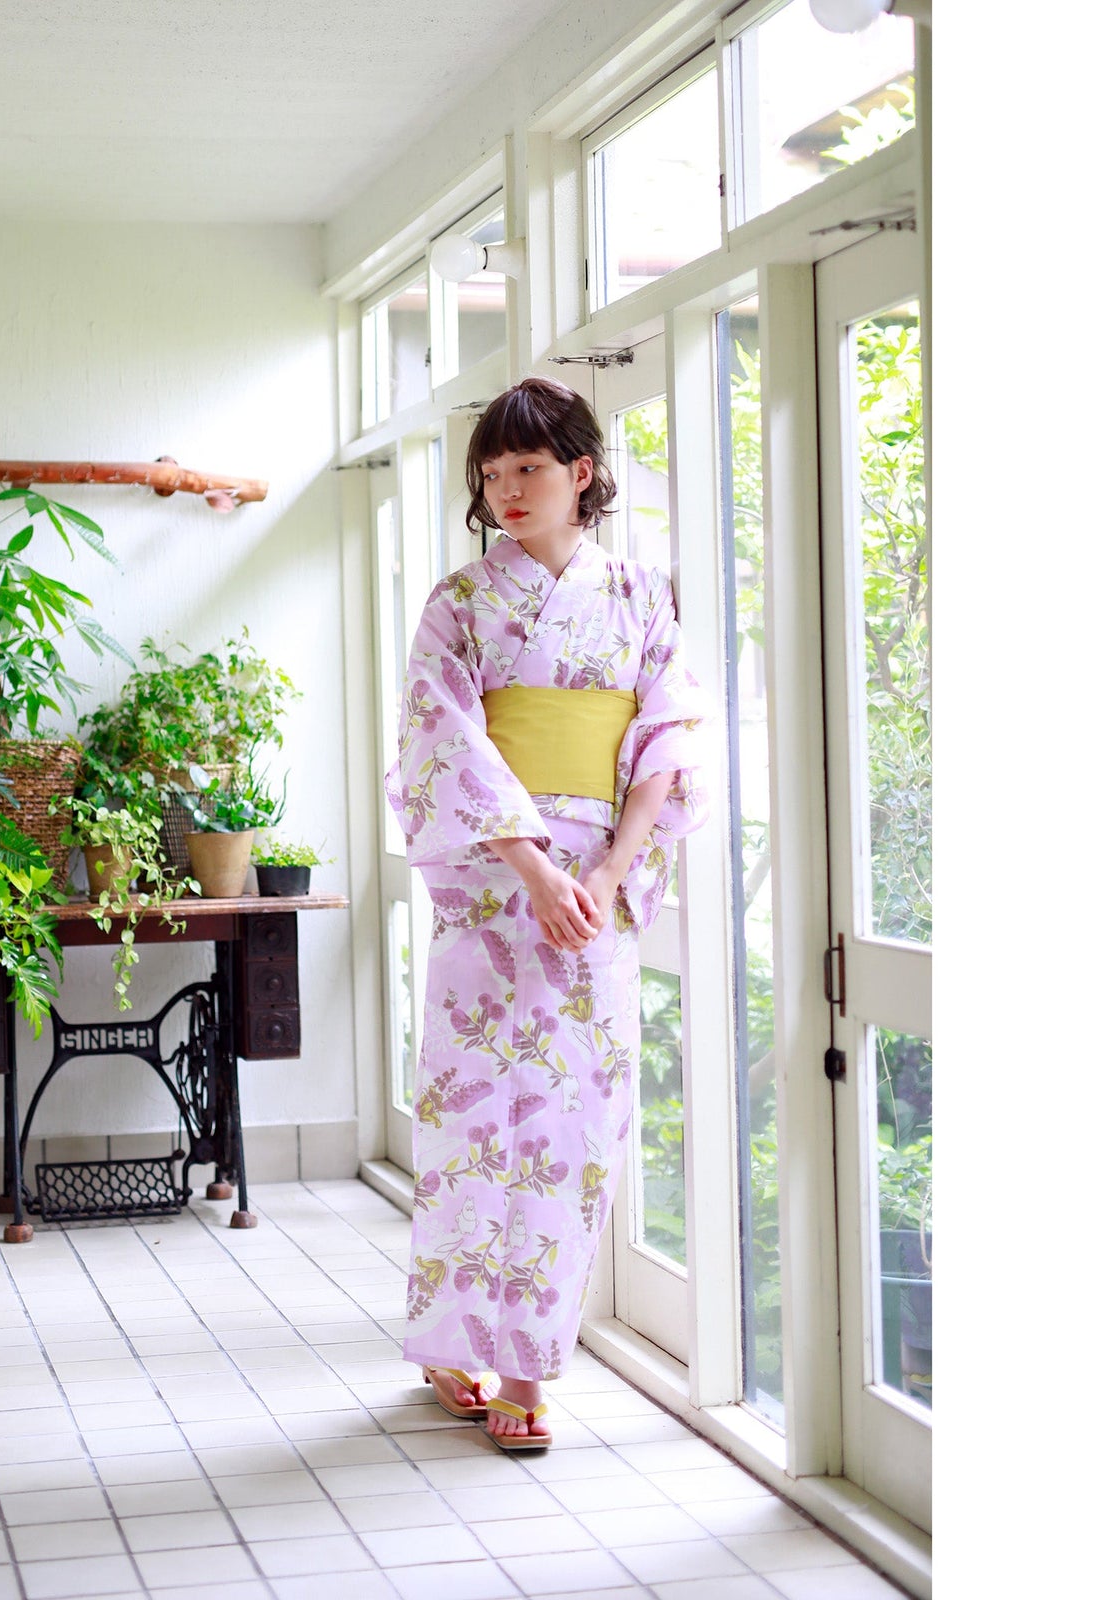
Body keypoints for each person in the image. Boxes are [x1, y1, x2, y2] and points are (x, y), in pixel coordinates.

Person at [384, 376, 713, 1450]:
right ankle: (452, 1342)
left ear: (581, 472)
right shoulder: (459, 602)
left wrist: (610, 874)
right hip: (496, 885)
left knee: (576, 1127)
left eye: (528, 467)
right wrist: (531, 868)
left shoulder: (642, 596)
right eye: (491, 472)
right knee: (472, 1125)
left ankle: (527, 1367)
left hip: (596, 895)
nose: (506, 490)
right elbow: (442, 742)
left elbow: (665, 739)